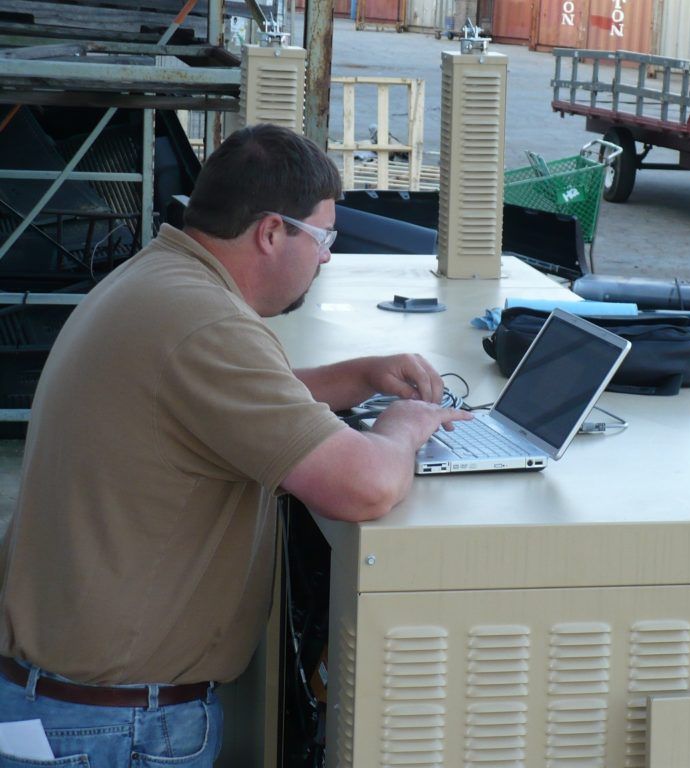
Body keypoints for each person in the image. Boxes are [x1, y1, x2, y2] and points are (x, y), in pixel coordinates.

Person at [0, 124, 471, 765]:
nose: (328, 258)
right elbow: (365, 486)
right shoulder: (206, 324)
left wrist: (360, 377)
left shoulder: (162, 279)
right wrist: (408, 424)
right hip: (112, 728)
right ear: (272, 233)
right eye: (325, 238)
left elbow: (216, 406)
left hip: (76, 706)